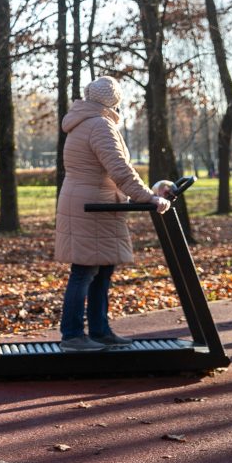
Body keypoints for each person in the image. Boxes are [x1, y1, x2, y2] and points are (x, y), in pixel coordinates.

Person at [54, 76, 171, 352]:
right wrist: (148, 197)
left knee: (102, 268)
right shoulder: (100, 125)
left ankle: (100, 330)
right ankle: (72, 334)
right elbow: (119, 169)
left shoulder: (82, 121)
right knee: (84, 270)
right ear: (114, 101)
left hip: (94, 203)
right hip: (93, 206)